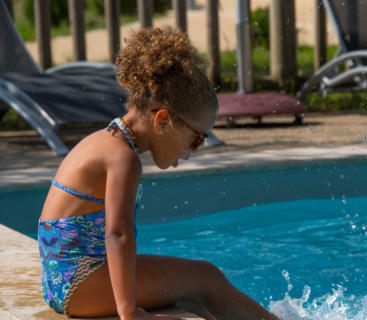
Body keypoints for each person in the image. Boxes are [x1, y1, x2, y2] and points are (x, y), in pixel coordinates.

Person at [37, 27, 280, 320]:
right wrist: (129, 312)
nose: (192, 152)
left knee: (194, 294)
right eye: (196, 139)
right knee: (206, 277)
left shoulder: (103, 141)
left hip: (61, 283)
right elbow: (118, 235)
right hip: (80, 284)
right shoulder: (123, 159)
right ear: (162, 120)